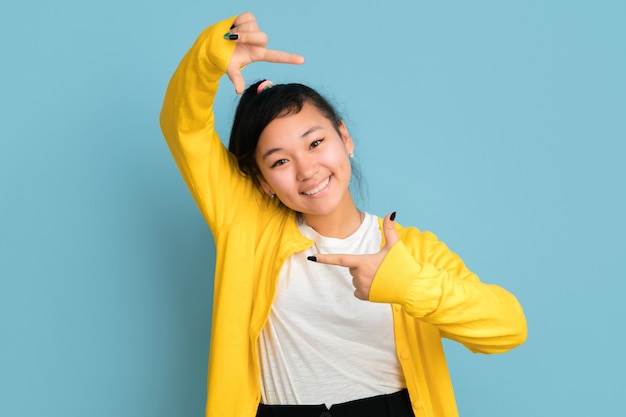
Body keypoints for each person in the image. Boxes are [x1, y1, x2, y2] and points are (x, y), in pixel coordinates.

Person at [159, 11, 527, 417]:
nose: (307, 169)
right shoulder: (248, 226)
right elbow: (184, 129)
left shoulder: (411, 249)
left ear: (344, 137)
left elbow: (508, 327)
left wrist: (406, 285)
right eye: (279, 162)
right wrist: (208, 58)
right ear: (262, 181)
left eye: (315, 143)